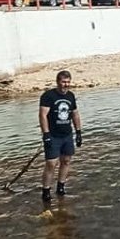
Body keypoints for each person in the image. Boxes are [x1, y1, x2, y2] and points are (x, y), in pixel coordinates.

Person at [38, 70, 83, 202]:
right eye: (63, 82)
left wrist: (78, 132)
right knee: (51, 163)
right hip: (53, 134)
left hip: (67, 134)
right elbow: (42, 115)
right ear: (58, 82)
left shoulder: (71, 96)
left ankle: (61, 186)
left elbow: (75, 114)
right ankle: (46, 190)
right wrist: (46, 134)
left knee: (66, 160)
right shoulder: (48, 96)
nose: (66, 85)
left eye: (68, 82)